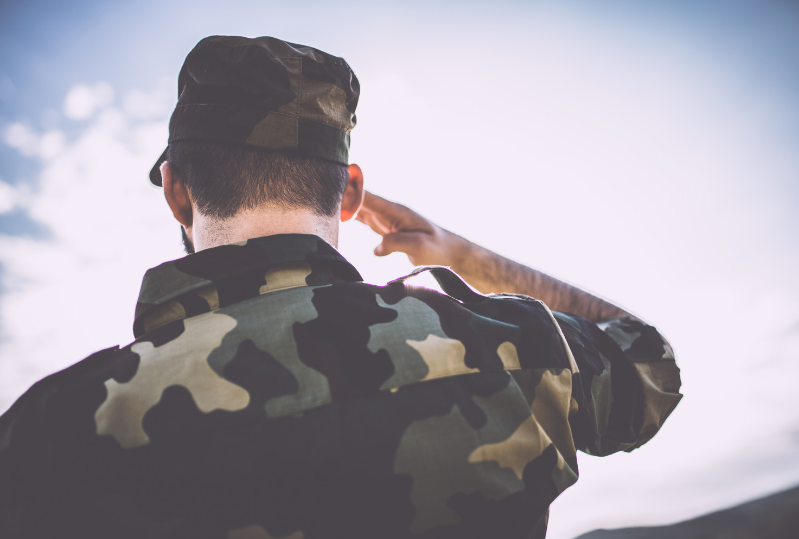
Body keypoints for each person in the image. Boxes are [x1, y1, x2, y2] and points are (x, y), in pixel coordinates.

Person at [0, 36, 681, 539]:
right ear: (349, 192)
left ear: (177, 192)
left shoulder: (52, 432)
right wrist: (465, 256)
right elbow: (648, 360)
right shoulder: (507, 348)